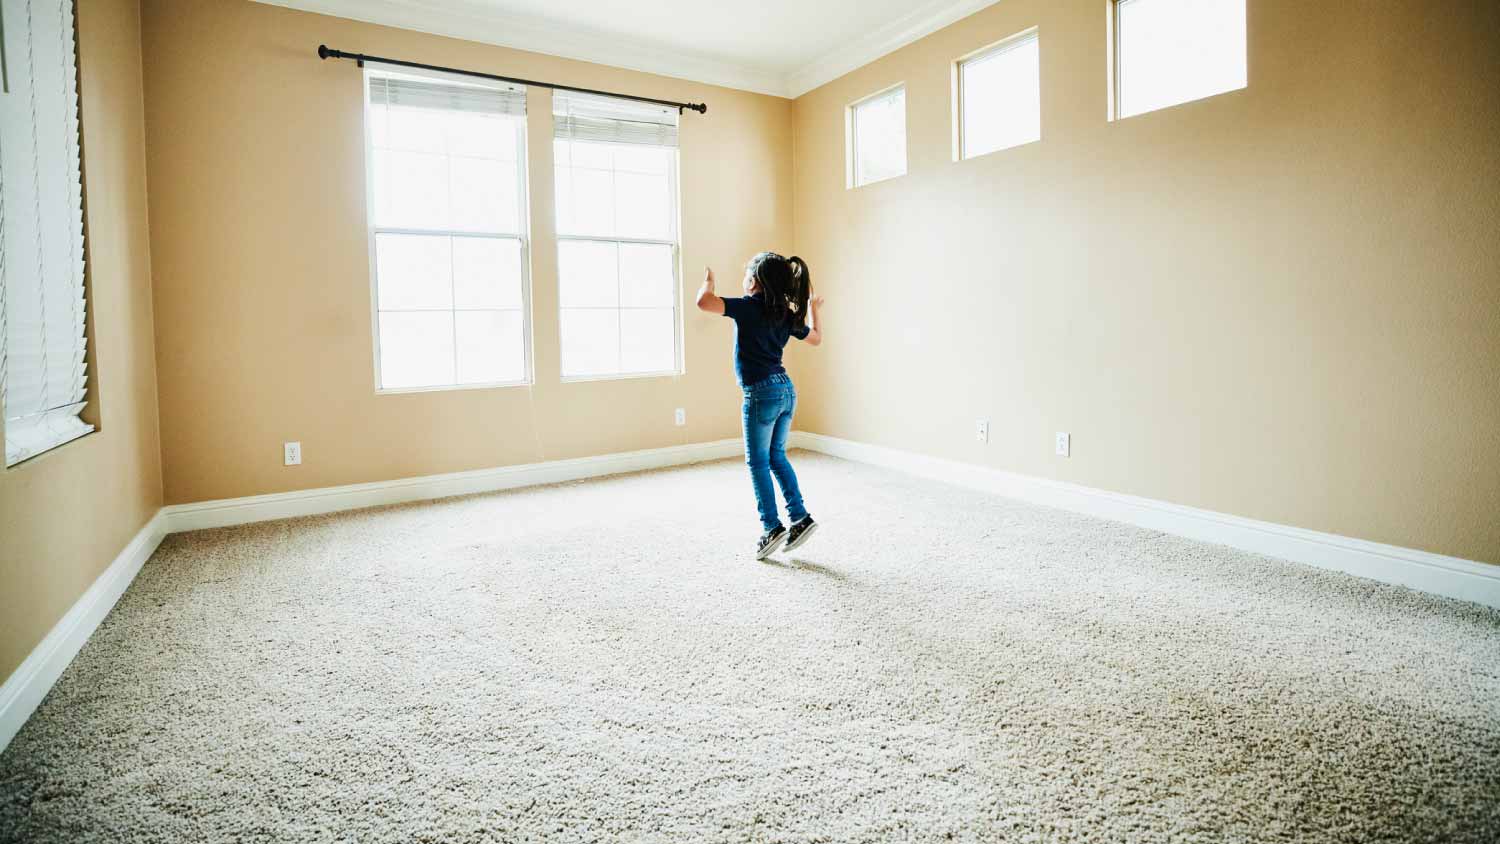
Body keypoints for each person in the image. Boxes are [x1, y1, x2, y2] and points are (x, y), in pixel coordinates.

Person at [695, 252, 825, 560]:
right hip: (786, 390)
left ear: (753, 281)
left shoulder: (747, 306)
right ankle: (800, 517)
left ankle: (772, 527)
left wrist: (708, 281)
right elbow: (816, 338)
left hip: (761, 393)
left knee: (757, 463)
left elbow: (704, 302)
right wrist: (811, 310)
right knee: (777, 457)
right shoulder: (784, 313)